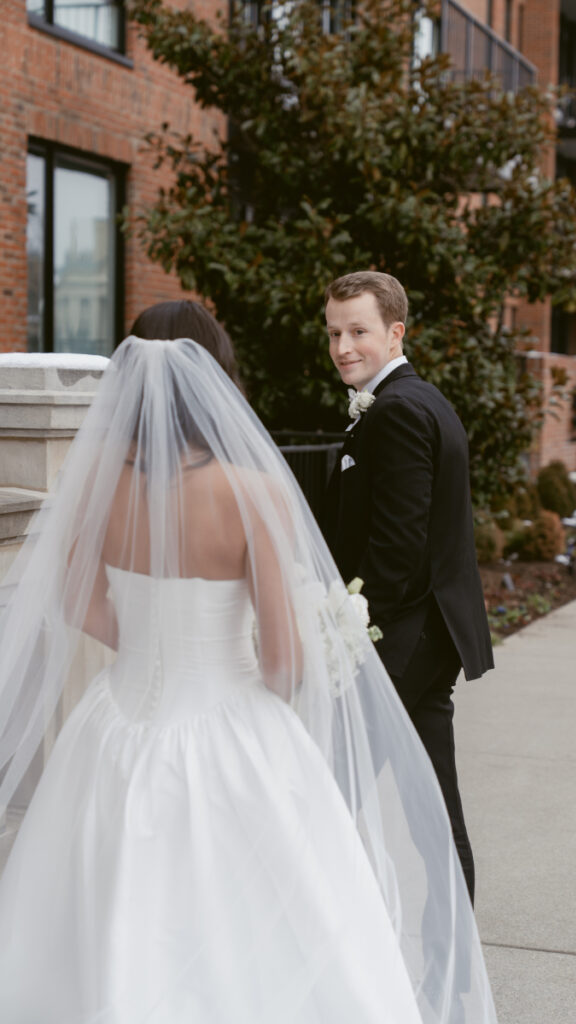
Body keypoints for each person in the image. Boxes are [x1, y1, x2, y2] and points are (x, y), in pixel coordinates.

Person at [0, 304, 498, 1023]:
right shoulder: (250, 493)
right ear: (216, 377)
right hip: (228, 726)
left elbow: (76, 602)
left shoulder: (96, 489)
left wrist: (147, 646)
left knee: (104, 903)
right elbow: (281, 659)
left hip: (114, 724)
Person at [323, 271, 494, 906]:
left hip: (402, 638)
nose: (343, 346)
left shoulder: (395, 410)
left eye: (358, 331)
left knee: (329, 788)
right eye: (335, 332)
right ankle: (457, 969)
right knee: (432, 805)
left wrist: (350, 629)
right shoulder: (421, 399)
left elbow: (398, 547)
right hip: (431, 634)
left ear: (395, 332)